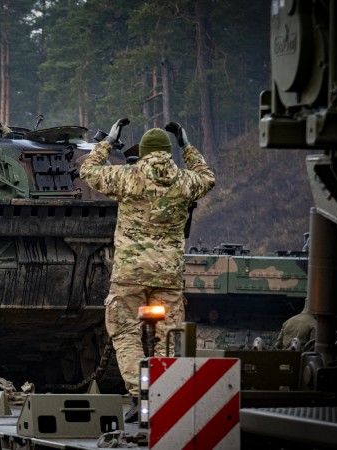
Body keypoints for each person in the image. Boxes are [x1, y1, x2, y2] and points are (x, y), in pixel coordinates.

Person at [80, 122, 215, 422]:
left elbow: (87, 171)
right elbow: (208, 177)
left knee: (126, 331)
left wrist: (107, 143)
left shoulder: (128, 177)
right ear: (167, 152)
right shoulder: (184, 181)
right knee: (169, 336)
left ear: (142, 152)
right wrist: (187, 146)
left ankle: (139, 395)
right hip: (168, 273)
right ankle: (165, 396)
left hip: (130, 272)